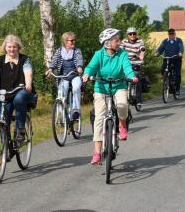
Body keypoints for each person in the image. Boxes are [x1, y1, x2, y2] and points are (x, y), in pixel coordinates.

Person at [82, 28, 138, 165]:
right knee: (99, 118)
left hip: (119, 85)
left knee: (122, 105)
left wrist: (131, 76)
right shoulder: (98, 54)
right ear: (107, 43)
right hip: (101, 87)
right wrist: (86, 74)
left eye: (118, 40)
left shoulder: (122, 54)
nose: (119, 42)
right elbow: (91, 67)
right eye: (116, 40)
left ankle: (122, 124)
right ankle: (97, 153)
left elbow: (127, 67)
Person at [0, 34, 35, 140]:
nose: (12, 49)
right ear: (5, 47)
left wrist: (28, 84)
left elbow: (28, 72)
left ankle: (20, 130)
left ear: (18, 47)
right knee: (3, 120)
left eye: (14, 47)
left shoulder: (25, 59)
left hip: (22, 91)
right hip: (5, 94)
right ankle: (5, 149)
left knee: (19, 99)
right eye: (9, 47)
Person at [45, 32, 83, 120]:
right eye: (71, 40)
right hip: (64, 76)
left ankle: (75, 110)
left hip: (75, 75)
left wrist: (79, 67)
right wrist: (50, 69)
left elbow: (79, 60)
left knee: (76, 88)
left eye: (74, 40)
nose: (73, 42)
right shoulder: (59, 51)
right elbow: (54, 60)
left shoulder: (77, 51)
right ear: (65, 42)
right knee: (61, 92)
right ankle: (61, 114)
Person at [155, 28, 184, 97]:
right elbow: (161, 48)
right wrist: (157, 53)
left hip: (176, 59)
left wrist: (180, 52)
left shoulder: (178, 40)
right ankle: (167, 82)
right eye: (170, 34)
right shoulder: (165, 41)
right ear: (168, 34)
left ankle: (177, 89)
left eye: (172, 33)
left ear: (175, 34)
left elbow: (181, 47)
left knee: (177, 74)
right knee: (163, 70)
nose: (171, 35)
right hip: (167, 59)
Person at [121, 27, 145, 106]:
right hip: (126, 63)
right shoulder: (124, 41)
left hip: (136, 63)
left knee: (136, 78)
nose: (132, 35)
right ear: (127, 35)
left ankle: (138, 99)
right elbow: (120, 50)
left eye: (134, 33)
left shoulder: (139, 41)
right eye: (130, 34)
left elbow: (142, 49)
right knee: (122, 79)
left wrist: (141, 56)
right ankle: (123, 98)